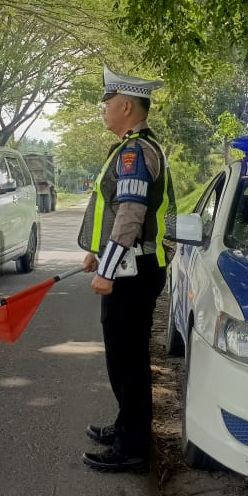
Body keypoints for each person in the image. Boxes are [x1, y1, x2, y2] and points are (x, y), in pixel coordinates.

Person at [77, 66, 176, 474]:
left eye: (107, 103)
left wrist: (109, 270)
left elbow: (131, 217)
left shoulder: (135, 152)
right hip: (129, 267)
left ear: (126, 105)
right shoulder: (132, 147)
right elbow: (116, 213)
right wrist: (98, 254)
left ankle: (133, 448)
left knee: (128, 361)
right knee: (124, 357)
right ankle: (125, 427)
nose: (103, 110)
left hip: (132, 274)